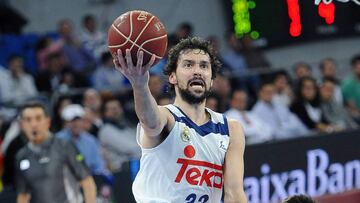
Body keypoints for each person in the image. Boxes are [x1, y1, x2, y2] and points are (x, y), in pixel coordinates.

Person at [113, 37, 247, 202]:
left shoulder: (231, 129)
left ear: (211, 81)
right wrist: (140, 85)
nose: (197, 71)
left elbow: (234, 194)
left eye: (204, 66)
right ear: (172, 77)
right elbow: (151, 122)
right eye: (188, 65)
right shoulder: (167, 117)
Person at [15, 102, 96, 203]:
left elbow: (87, 181)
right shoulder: (21, 156)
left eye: (38, 118)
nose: (33, 124)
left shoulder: (64, 146)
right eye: (28, 120)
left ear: (48, 122)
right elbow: (23, 195)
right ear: (22, 125)